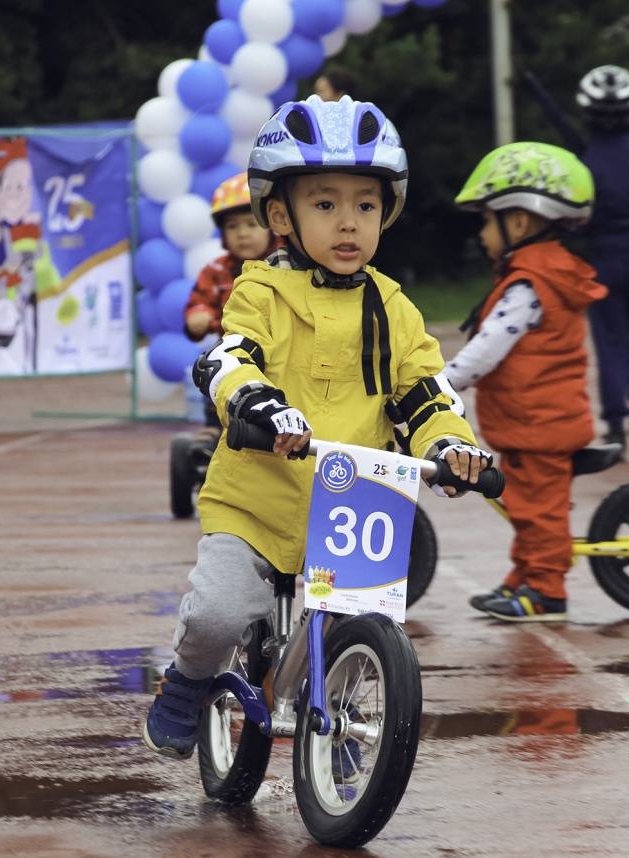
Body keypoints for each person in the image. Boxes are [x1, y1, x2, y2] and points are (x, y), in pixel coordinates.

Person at [143, 96, 491, 759]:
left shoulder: (394, 307)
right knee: (219, 612)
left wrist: (450, 444)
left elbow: (425, 391)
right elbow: (227, 356)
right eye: (325, 205)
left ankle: (344, 708)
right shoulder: (260, 290)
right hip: (259, 496)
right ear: (281, 215)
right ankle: (187, 682)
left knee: (370, 620)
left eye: (365, 204)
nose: (348, 223)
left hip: (356, 500)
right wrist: (257, 403)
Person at [445, 142, 609, 623]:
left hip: (541, 424)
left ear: (517, 222)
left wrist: (442, 384)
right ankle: (523, 577)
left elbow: (488, 348)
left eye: (486, 220)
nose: (481, 232)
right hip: (530, 421)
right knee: (525, 507)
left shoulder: (529, 285)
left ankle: (545, 591)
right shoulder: (539, 274)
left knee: (538, 513)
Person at [523, 65, 629, 458]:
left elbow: (573, 217)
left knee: (612, 343)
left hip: (603, 259)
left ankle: (617, 427)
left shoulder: (582, 161)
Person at [183, 172, 281, 440]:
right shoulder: (216, 271)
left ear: (272, 226)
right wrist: (198, 316)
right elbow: (198, 302)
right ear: (223, 235)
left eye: (251, 224)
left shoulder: (286, 266)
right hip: (232, 355)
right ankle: (215, 431)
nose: (243, 234)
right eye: (233, 227)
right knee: (214, 370)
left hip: (281, 355)